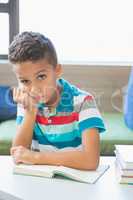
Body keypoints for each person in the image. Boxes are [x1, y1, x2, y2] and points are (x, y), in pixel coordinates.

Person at [9, 31, 106, 170]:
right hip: (40, 181)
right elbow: (18, 154)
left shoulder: (83, 101)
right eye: (25, 81)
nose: (34, 89)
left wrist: (36, 157)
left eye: (41, 76)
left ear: (58, 70)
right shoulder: (27, 101)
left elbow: (91, 161)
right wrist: (30, 113)